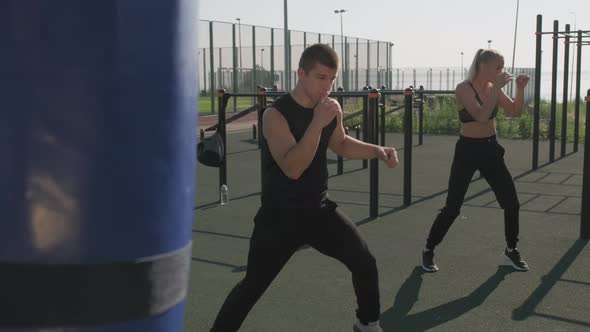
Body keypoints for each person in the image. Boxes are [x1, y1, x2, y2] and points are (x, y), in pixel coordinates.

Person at [210, 43, 399, 332]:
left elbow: (341, 144)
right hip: (279, 218)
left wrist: (378, 150)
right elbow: (293, 167)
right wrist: (317, 122)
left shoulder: (329, 108)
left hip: (318, 210)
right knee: (251, 288)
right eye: (321, 77)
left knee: (364, 262)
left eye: (332, 79)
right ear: (301, 73)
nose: (328, 86)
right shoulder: (275, 115)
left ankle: (367, 323)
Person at [421, 49, 531, 273]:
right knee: (452, 207)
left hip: (490, 149)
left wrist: (519, 89)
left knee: (511, 202)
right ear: (483, 67)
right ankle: (428, 249)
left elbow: (515, 111)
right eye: (498, 67)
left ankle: (511, 249)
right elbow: (481, 116)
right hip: (467, 151)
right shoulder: (463, 89)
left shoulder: (493, 89)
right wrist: (498, 88)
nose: (502, 72)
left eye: (503, 67)